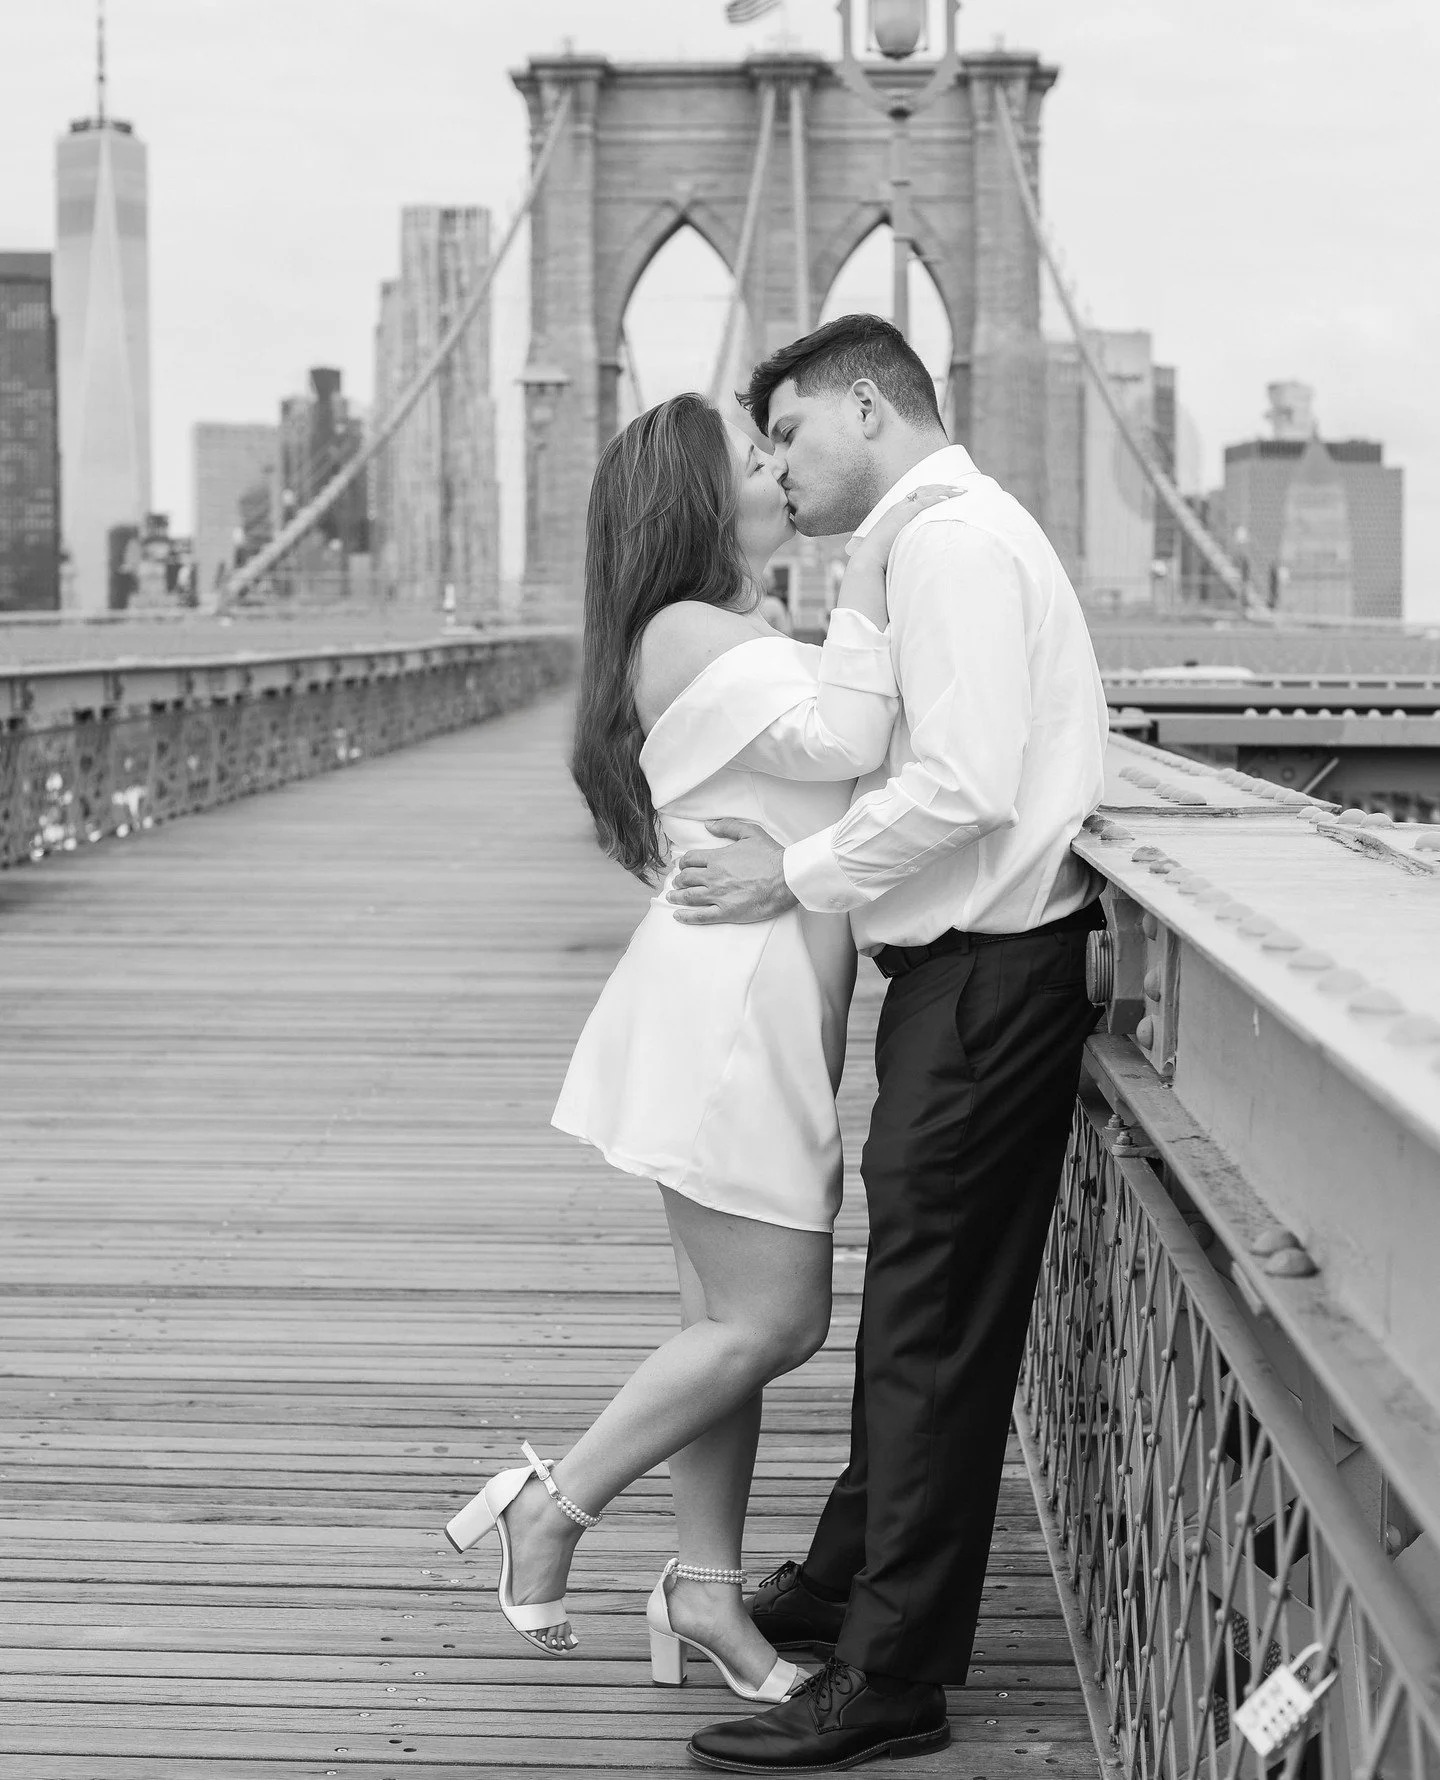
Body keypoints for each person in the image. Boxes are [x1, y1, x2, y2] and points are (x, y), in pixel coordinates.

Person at [440, 389, 957, 1711]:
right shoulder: (691, 632)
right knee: (779, 1321)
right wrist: (885, 557)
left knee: (724, 1326)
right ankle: (552, 1505)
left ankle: (706, 1593)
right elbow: (859, 739)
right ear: (694, 498)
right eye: (755, 454)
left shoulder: (723, 634)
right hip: (734, 1014)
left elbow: (814, 766)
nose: (781, 466)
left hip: (745, 998)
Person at [665, 314, 1110, 1773]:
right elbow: (861, 737)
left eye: (790, 431)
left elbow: (970, 783)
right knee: (909, 1314)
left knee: (931, 1332)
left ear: (870, 403)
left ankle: (894, 1677)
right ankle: (849, 1580)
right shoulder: (905, 549)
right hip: (954, 977)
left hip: (990, 973)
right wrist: (848, 585)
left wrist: (784, 880)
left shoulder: (957, 547)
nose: (777, 464)